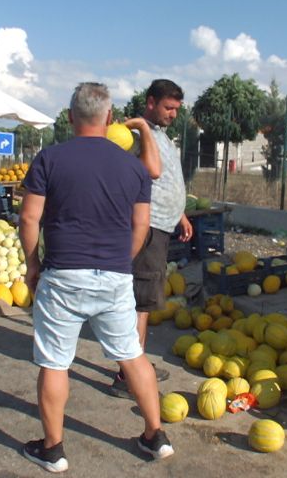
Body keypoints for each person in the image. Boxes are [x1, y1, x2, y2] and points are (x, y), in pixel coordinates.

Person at [19, 82, 173, 473]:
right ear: (108, 118)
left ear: (70, 117)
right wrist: (123, 259)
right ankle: (155, 436)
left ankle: (53, 450)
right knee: (133, 356)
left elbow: (29, 218)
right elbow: (142, 224)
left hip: (63, 276)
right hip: (115, 276)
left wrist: (32, 264)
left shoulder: (49, 159)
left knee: (55, 362)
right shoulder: (133, 167)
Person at [110, 79, 193, 398]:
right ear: (150, 102)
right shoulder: (132, 135)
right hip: (148, 226)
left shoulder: (158, 134)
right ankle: (128, 375)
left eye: (177, 109)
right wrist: (141, 128)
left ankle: (135, 366)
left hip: (163, 224)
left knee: (142, 302)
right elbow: (147, 173)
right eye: (168, 108)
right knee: (140, 303)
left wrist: (180, 213)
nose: (174, 114)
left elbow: (165, 179)